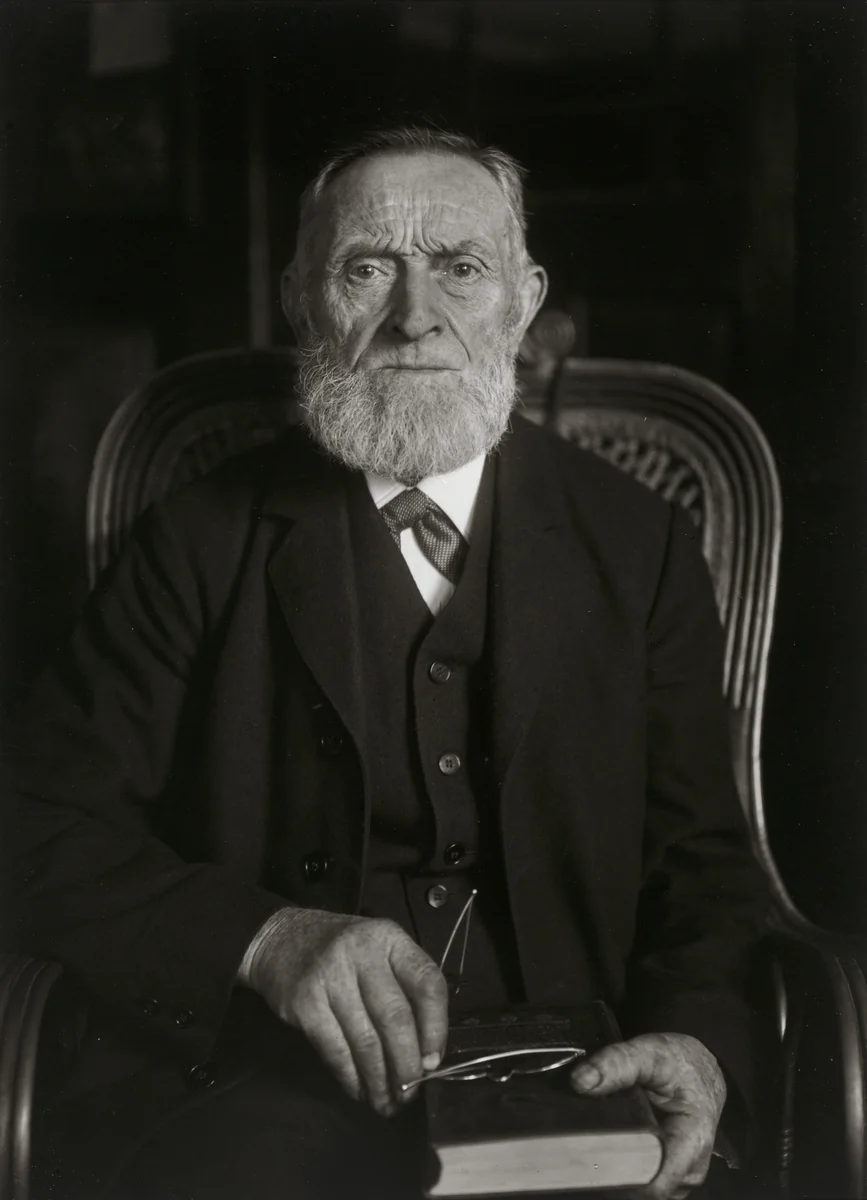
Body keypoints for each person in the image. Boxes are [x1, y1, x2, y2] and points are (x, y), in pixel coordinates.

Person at [3, 127, 769, 1200]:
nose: (416, 318)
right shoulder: (199, 540)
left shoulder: (639, 543)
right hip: (270, 1082)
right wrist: (264, 939)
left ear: (523, 298)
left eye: (460, 268)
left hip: (576, 1083)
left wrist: (695, 1044)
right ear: (301, 298)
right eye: (368, 268)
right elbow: (33, 823)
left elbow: (703, 861)